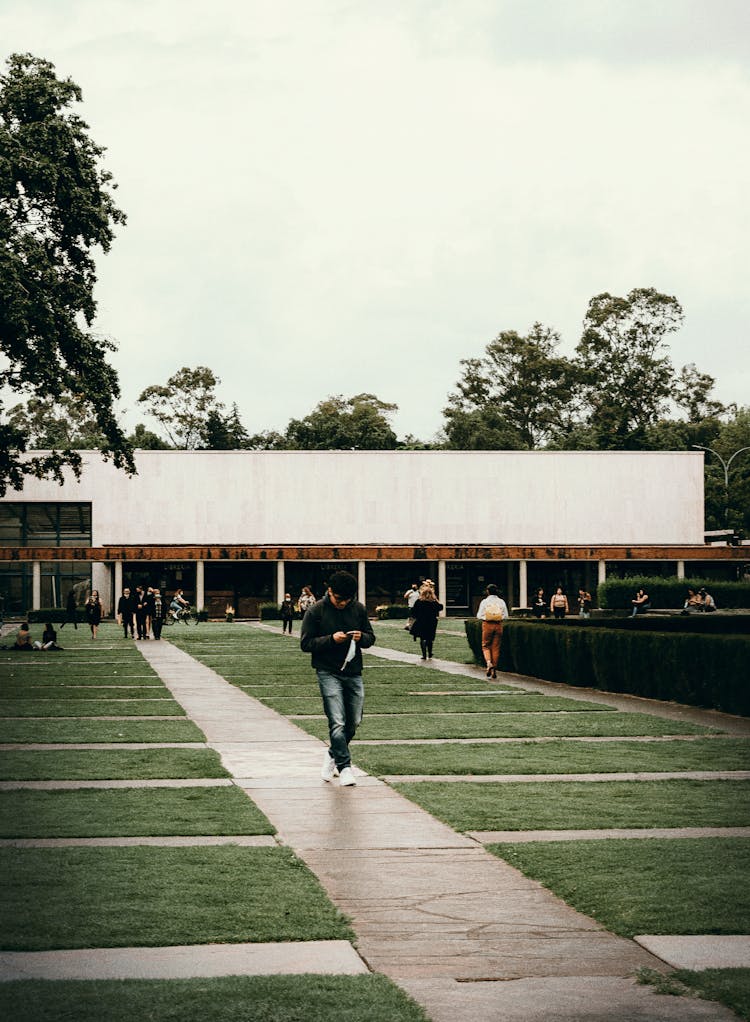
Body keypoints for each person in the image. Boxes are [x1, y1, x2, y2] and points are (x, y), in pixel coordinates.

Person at [300, 570, 375, 788]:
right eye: (339, 599)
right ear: (330, 591)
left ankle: (332, 754)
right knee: (337, 721)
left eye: (347, 599)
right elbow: (306, 644)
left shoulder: (358, 609)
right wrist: (331, 640)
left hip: (353, 671)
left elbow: (371, 638)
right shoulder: (316, 611)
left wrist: (363, 638)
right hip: (327, 671)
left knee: (353, 722)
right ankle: (345, 768)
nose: (343, 603)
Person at [476, 583, 509, 679]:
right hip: (498, 625)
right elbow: (505, 615)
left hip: (487, 625)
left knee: (485, 646)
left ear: (487, 591)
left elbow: (479, 615)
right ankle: (494, 670)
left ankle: (488, 663)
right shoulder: (501, 602)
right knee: (496, 648)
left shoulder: (484, 602)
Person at [410, 582, 443, 660]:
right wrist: (436, 599)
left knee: (422, 638)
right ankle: (430, 653)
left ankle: (424, 655)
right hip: (432, 621)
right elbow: (441, 607)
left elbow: (413, 612)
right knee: (430, 638)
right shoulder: (433, 602)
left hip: (421, 621)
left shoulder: (419, 602)